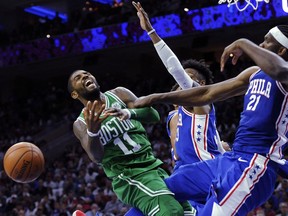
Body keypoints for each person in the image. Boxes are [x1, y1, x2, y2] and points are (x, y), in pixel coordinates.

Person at [134, 24, 288, 215]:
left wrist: (243, 43)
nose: (261, 45)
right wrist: (155, 98)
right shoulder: (253, 73)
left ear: (281, 50)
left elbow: (280, 70)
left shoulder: (283, 74)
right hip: (230, 159)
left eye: (267, 41)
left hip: (255, 164)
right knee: (155, 193)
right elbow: (206, 93)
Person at [67, 70, 193, 215]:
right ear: (75, 94)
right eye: (78, 78)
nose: (85, 76)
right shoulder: (81, 124)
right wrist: (93, 132)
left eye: (87, 74)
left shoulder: (119, 94)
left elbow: (153, 115)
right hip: (128, 177)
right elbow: (96, 157)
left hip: (153, 165)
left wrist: (128, 113)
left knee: (188, 211)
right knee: (172, 212)